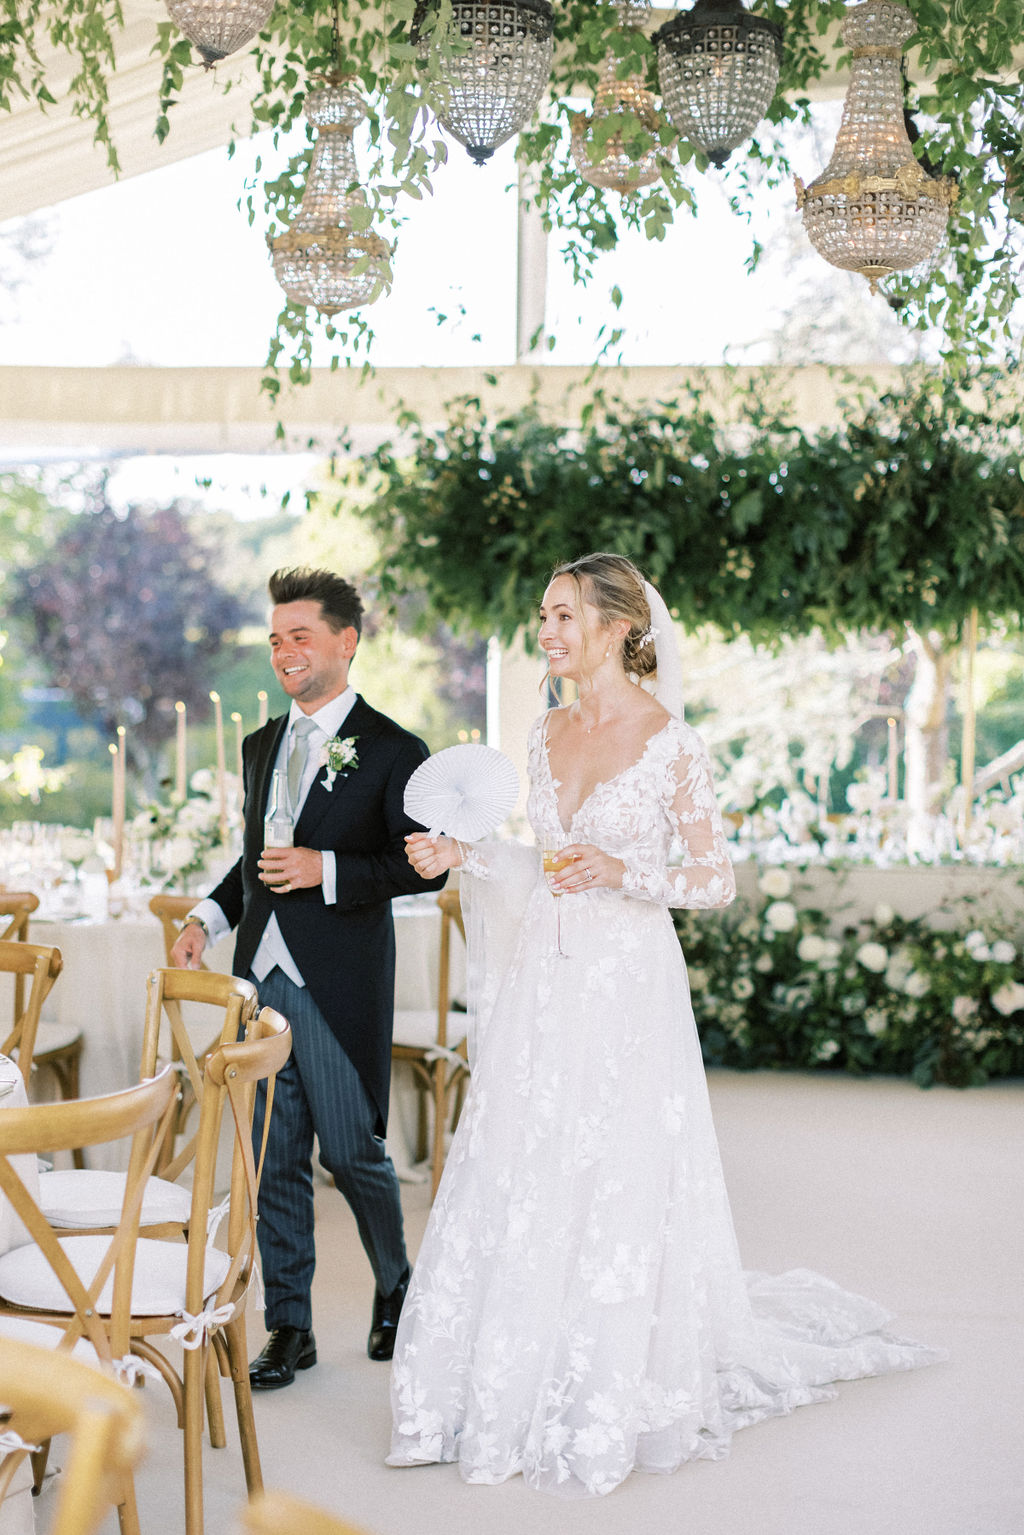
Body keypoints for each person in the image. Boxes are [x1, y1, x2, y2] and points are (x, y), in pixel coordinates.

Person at [389, 552, 941, 1496]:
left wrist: (622, 871)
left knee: (616, 1167)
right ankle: (498, 1374)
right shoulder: (543, 731)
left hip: (628, 987)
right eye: (543, 614)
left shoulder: (671, 741)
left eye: (563, 615)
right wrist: (467, 855)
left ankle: (607, 1377)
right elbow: (541, 862)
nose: (547, 631)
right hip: (546, 986)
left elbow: (712, 877)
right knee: (529, 1159)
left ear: (616, 626)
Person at [171, 566, 445, 1388]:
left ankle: (396, 1285)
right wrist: (205, 918)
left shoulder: (398, 749)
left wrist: (325, 867)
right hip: (261, 978)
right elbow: (254, 864)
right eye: (276, 638)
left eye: (300, 636)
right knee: (271, 1154)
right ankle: (290, 1324)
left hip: (337, 980)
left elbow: (421, 868)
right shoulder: (262, 745)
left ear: (345, 642)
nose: (284, 651)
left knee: (353, 1152)